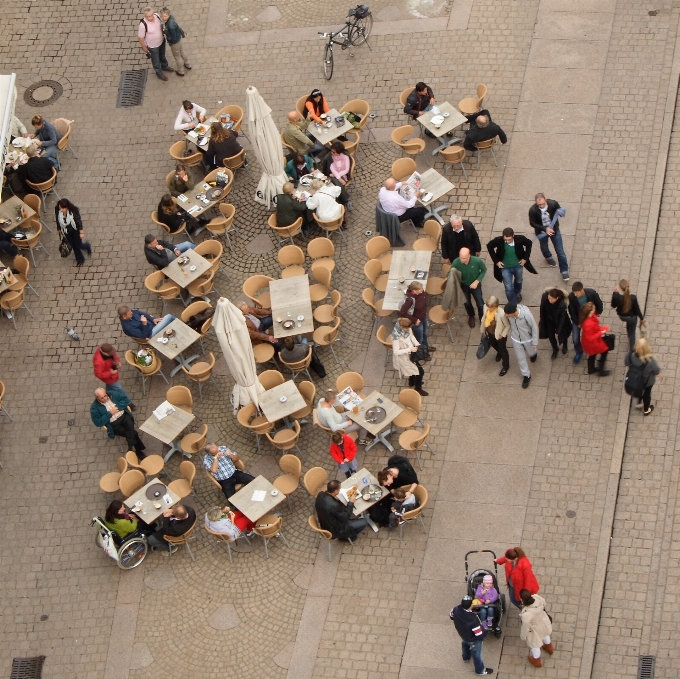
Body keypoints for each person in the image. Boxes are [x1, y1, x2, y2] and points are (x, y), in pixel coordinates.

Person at [486, 227, 537, 304]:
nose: (507, 241)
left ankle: (517, 292)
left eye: (509, 239)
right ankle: (513, 304)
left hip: (518, 266)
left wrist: (525, 258)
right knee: (508, 287)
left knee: (519, 281)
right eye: (506, 239)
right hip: (505, 268)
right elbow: (489, 246)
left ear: (513, 235)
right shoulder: (499, 240)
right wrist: (496, 261)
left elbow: (529, 244)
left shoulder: (520, 239)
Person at [90, 388, 146, 456]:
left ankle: (131, 446)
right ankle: (138, 450)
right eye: (102, 398)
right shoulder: (94, 408)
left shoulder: (113, 394)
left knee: (129, 426)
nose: (105, 399)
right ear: (97, 398)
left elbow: (125, 399)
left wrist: (118, 407)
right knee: (133, 433)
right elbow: (97, 422)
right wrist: (109, 414)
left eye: (105, 396)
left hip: (124, 416)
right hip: (114, 424)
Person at [529, 193, 569, 281]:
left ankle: (564, 270)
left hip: (554, 230)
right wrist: (544, 228)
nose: (541, 206)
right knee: (544, 247)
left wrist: (561, 212)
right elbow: (532, 223)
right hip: (541, 232)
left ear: (545, 199)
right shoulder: (533, 210)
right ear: (536, 203)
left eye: (543, 204)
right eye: (539, 205)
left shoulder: (553, 204)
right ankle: (548, 257)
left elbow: (559, 210)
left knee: (560, 251)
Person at [449, 596, 494, 675]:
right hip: (473, 639)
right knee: (477, 654)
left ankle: (466, 657)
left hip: (463, 633)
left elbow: (451, 616)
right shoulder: (473, 620)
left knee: (465, 642)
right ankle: (480, 670)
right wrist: (482, 636)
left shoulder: (455, 609)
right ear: (471, 606)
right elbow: (479, 634)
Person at [504, 302, 539, 389]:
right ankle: (526, 376)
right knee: (520, 358)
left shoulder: (526, 315)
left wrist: (535, 342)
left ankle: (533, 354)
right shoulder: (509, 316)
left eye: (508, 314)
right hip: (516, 339)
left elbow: (534, 327)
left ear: (514, 312)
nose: (506, 315)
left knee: (531, 352)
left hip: (527, 338)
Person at [567, 282, 603, 364]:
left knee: (593, 336)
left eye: (577, 293)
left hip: (589, 319)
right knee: (575, 339)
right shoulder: (571, 297)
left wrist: (598, 312)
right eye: (574, 293)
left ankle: (594, 349)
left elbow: (599, 303)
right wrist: (577, 323)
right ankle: (579, 351)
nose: (575, 295)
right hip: (578, 320)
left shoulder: (591, 293)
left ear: (582, 290)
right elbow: (571, 310)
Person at [451, 247, 487, 327]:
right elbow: (449, 273)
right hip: (463, 285)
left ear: (469, 256)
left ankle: (482, 318)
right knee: (467, 303)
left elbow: (484, 270)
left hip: (475, 285)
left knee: (480, 303)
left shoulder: (477, 261)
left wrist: (477, 281)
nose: (461, 260)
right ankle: (471, 316)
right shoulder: (456, 262)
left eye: (463, 258)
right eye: (460, 257)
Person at [625, 338, 662, 416]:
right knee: (647, 394)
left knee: (640, 389)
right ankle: (646, 409)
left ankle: (639, 401)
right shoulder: (650, 361)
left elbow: (626, 363)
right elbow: (656, 371)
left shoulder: (629, 354)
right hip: (647, 382)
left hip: (634, 378)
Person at [392, 317, 428, 396]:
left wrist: (418, 345)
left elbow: (412, 337)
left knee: (414, 369)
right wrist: (409, 349)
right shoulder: (396, 337)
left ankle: (412, 381)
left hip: (413, 352)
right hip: (406, 356)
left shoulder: (408, 328)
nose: (409, 329)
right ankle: (418, 388)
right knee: (420, 371)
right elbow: (396, 352)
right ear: (402, 327)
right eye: (407, 328)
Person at [519, 589, 554, 668]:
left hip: (534, 629)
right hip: (543, 621)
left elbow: (525, 626)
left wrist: (523, 636)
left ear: (522, 599)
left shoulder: (526, 615)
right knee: (545, 635)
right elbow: (544, 602)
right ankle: (549, 648)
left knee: (535, 645)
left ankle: (536, 661)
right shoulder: (537, 598)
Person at [399, 281, 435, 354]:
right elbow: (402, 312)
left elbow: (424, 302)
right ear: (414, 291)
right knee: (419, 338)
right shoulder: (410, 300)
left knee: (424, 333)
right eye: (420, 289)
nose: (422, 290)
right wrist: (414, 320)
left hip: (423, 316)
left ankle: (425, 347)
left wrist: (425, 311)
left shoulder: (422, 292)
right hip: (416, 321)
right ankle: (420, 353)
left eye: (422, 288)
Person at [138, 7, 174, 81]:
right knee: (156, 60)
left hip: (161, 41)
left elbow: (162, 24)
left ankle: (165, 66)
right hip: (152, 46)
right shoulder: (143, 24)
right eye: (147, 16)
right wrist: (144, 47)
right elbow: (140, 37)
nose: (149, 17)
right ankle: (159, 74)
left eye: (150, 15)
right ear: (145, 16)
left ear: (153, 14)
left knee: (162, 55)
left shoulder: (157, 16)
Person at [54, 198, 91, 267]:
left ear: (67, 207)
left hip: (75, 230)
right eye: (60, 208)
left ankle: (87, 246)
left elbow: (78, 221)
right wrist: (59, 228)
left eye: (62, 208)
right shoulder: (58, 210)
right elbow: (57, 219)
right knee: (73, 245)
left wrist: (81, 232)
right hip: (66, 231)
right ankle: (80, 259)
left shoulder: (73, 211)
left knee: (78, 245)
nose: (61, 210)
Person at [611, 279, 645, 352]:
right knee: (632, 332)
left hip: (622, 316)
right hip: (632, 318)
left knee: (628, 325)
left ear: (620, 288)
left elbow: (613, 305)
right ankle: (632, 350)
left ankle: (629, 334)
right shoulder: (633, 297)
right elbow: (637, 309)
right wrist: (641, 319)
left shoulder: (617, 296)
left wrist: (614, 293)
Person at [579, 301, 611, 377]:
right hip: (592, 343)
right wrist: (601, 332)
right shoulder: (588, 324)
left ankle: (591, 369)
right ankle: (601, 370)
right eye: (593, 308)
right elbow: (590, 337)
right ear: (590, 311)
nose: (595, 309)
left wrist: (601, 329)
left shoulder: (588, 317)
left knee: (592, 354)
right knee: (604, 351)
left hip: (590, 342)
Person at [481, 296, 511, 376]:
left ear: (495, 306)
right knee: (493, 345)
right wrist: (484, 329)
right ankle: (499, 353)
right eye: (488, 306)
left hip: (499, 335)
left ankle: (506, 366)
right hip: (490, 333)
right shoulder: (485, 307)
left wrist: (503, 334)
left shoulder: (501, 313)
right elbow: (484, 319)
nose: (489, 308)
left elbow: (507, 325)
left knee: (503, 349)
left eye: (491, 307)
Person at [538, 288, 570, 359]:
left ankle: (565, 345)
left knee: (563, 334)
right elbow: (542, 308)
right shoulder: (545, 297)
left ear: (557, 298)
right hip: (549, 320)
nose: (550, 300)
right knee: (551, 336)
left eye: (552, 299)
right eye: (549, 298)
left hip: (559, 321)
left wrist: (558, 330)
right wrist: (542, 319)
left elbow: (562, 318)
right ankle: (555, 349)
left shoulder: (561, 304)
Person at [160, 7, 191, 76]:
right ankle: (188, 64)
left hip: (175, 42)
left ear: (168, 15)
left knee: (177, 57)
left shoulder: (170, 25)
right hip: (179, 39)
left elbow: (173, 36)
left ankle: (180, 71)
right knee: (182, 52)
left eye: (165, 16)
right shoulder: (172, 18)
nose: (163, 18)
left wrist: (170, 42)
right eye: (162, 16)